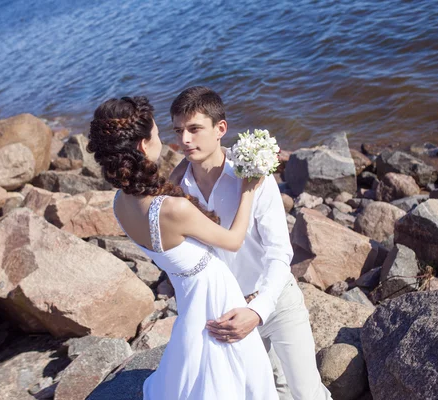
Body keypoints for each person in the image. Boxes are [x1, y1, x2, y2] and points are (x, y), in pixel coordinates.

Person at [87, 96, 277, 400]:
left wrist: (192, 158)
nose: (169, 139)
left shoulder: (121, 204)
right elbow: (234, 240)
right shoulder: (173, 211)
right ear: (142, 146)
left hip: (188, 295)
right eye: (159, 134)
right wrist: (248, 190)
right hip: (216, 296)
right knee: (237, 376)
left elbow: (161, 187)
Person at [169, 86, 332, 400]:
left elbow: (279, 250)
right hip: (225, 311)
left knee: (306, 391)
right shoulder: (179, 191)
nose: (185, 140)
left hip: (275, 298)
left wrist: (258, 310)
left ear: (221, 129)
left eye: (194, 129)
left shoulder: (253, 175)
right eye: (178, 131)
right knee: (264, 392)